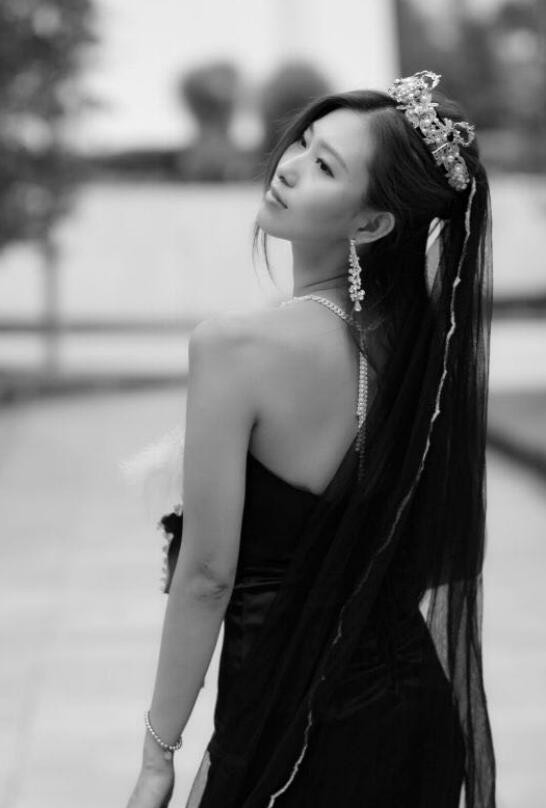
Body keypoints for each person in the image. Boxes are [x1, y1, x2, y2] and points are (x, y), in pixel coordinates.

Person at [126, 70, 497, 808]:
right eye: (303, 142)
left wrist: (158, 755)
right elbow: (439, 552)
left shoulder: (235, 347)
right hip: (415, 717)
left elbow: (207, 577)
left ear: (371, 225)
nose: (290, 166)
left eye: (325, 166)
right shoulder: (422, 348)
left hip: (291, 726)